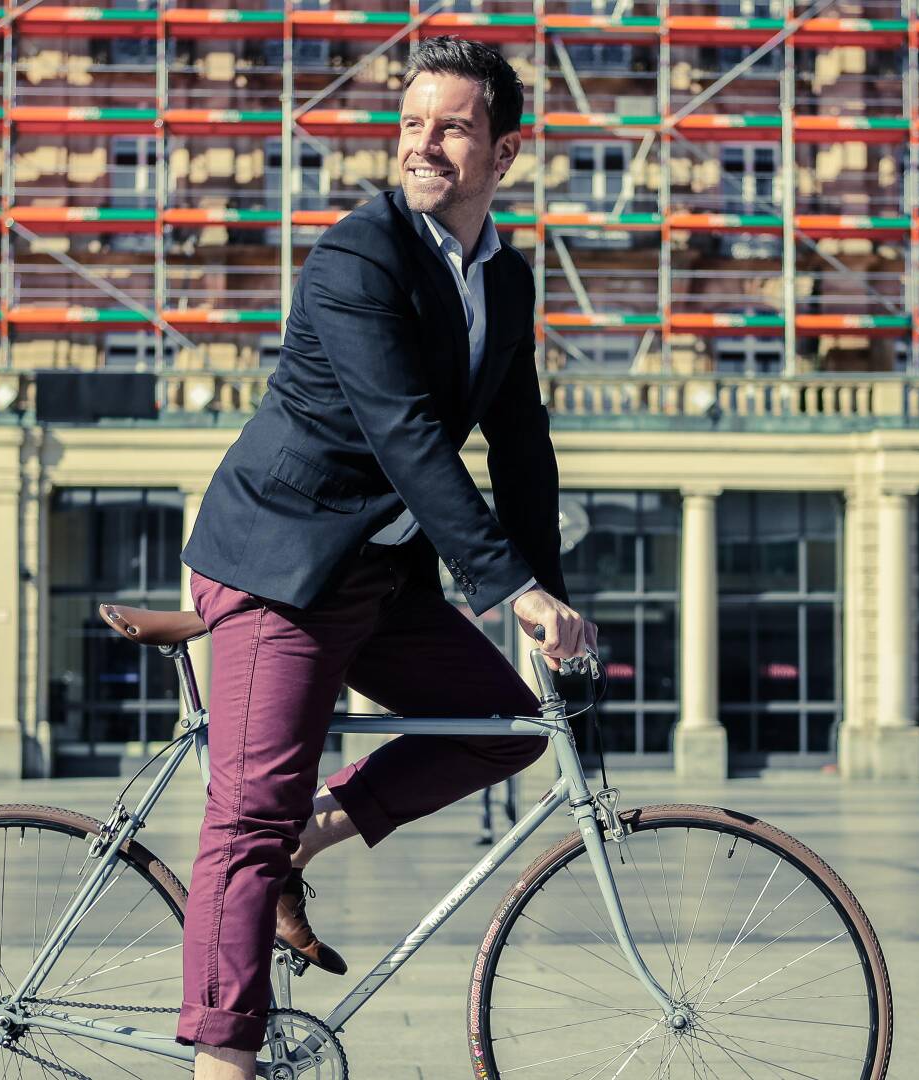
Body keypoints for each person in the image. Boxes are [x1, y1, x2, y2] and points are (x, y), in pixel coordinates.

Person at [162, 37, 598, 1080]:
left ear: (505, 153)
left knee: (502, 730)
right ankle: (220, 1063)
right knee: (246, 818)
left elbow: (522, 447)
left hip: (375, 577)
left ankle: (305, 839)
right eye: (412, 123)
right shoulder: (359, 258)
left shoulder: (506, 277)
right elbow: (406, 437)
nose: (424, 145)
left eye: (453, 127)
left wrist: (549, 598)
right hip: (280, 565)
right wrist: (507, 588)